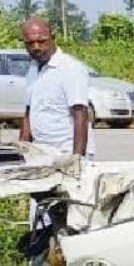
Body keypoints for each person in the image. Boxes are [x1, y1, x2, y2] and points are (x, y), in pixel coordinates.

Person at [19, 18, 92, 166]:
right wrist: (22, 150)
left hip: (66, 153)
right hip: (40, 152)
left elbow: (81, 113)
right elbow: (28, 113)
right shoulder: (33, 70)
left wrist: (77, 158)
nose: (36, 47)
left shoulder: (70, 69)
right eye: (30, 43)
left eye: (41, 41)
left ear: (53, 37)